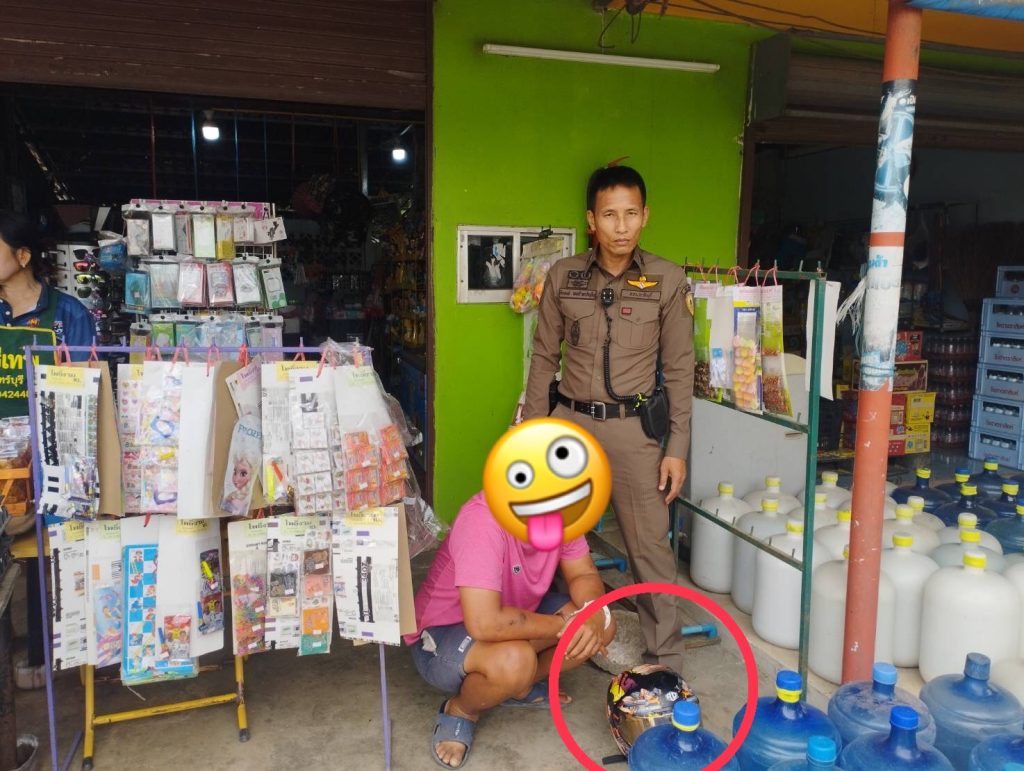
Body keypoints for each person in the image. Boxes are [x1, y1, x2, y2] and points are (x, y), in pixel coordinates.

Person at [522, 165, 694, 676]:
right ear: (591, 220)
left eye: (631, 213)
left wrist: (676, 447)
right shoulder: (563, 276)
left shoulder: (666, 280)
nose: (622, 226)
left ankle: (665, 665)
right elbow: (542, 359)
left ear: (646, 216)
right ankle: (559, 640)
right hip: (568, 425)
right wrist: (531, 432)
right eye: (610, 215)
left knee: (649, 548)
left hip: (632, 433)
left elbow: (679, 370)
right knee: (549, 537)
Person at [407, 491, 616, 769]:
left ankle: (518, 686)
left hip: (516, 613)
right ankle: (461, 709)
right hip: (443, 633)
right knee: (515, 660)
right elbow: (485, 622)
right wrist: (565, 625)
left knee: (604, 625)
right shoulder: (482, 519)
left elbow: (583, 574)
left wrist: (592, 613)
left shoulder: (562, 508)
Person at [0, 210, 97, 689]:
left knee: (49, 555)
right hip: (4, 459)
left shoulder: (68, 315)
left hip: (55, 455)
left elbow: (85, 392)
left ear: (23, 257)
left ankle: (46, 652)